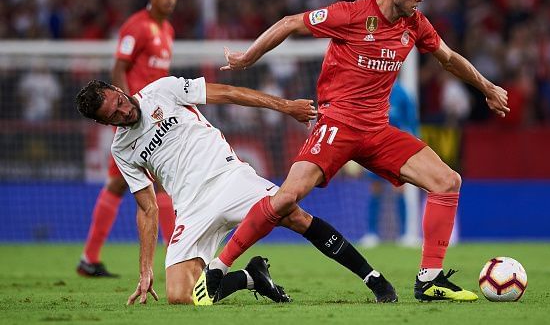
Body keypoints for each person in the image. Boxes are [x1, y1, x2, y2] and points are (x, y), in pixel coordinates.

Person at [204, 0, 510, 302]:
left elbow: (449, 58)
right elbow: (290, 23)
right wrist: (247, 58)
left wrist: (487, 87)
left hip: (377, 130)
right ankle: (217, 267)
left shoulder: (415, 24)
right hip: (338, 124)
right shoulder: (349, 14)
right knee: (287, 197)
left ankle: (430, 280)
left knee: (447, 181)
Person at [74, 76, 398, 305]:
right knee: (180, 296)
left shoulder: (163, 90)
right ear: (105, 124)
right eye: (113, 115)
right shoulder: (122, 149)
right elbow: (147, 209)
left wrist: (286, 107)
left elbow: (228, 93)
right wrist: (145, 271)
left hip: (230, 179)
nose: (124, 111)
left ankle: (373, 279)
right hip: (190, 209)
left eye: (119, 101)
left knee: (294, 216)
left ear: (118, 89)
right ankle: (252, 277)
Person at [77, 0, 179, 277]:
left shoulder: (168, 30)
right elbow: (119, 66)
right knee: (157, 183)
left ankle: (89, 258)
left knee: (120, 184)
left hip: (152, 116)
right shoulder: (137, 27)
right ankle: (176, 254)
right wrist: (125, 106)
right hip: (133, 119)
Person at [359, 82, 418, 248]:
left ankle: (406, 235)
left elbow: (412, 122)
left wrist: (416, 143)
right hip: (373, 148)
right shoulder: (371, 90)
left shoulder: (402, 93)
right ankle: (371, 234)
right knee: (375, 189)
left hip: (396, 150)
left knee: (400, 189)